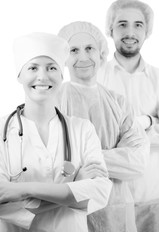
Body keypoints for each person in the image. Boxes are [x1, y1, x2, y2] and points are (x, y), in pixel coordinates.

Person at [0, 32, 112, 232]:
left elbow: (100, 193)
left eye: (52, 68)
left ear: (62, 75)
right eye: (33, 67)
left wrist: (22, 189)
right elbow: (2, 205)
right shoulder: (2, 131)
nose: (42, 76)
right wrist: (74, 186)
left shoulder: (82, 129)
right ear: (19, 75)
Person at [58, 21, 149, 232]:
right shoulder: (53, 101)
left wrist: (83, 161)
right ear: (63, 57)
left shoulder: (118, 102)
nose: (83, 57)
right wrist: (112, 157)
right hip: (69, 209)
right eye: (74, 50)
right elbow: (48, 161)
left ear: (101, 53)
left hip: (115, 210)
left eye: (89, 48)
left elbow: (137, 160)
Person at [97, 0, 159, 231]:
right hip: (108, 197)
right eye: (122, 24)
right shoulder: (95, 78)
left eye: (138, 25)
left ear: (148, 31)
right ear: (110, 29)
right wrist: (150, 124)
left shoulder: (157, 79)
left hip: (152, 193)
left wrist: (138, 127)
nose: (130, 32)